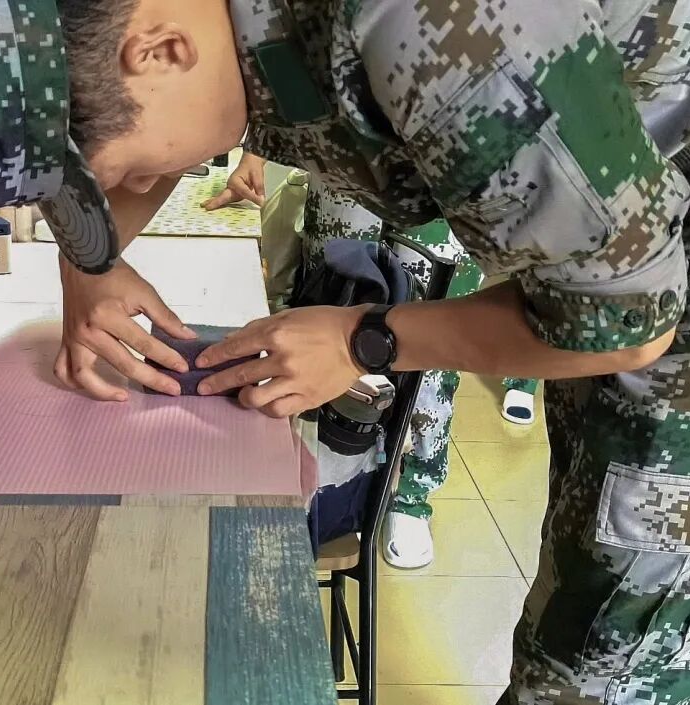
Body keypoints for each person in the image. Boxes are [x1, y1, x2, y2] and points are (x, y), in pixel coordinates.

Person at [0, 1, 690, 703]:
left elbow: (626, 321)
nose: (128, 188)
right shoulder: (187, 30)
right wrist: (92, 263)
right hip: (593, 220)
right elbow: (168, 122)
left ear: (159, 47)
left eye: (114, 174)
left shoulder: (442, 31)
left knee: (604, 660)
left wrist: (368, 339)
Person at [206, 151, 485, 568]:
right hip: (343, 162)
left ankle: (411, 495)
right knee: (324, 316)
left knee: (430, 355)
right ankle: (324, 475)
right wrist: (257, 154)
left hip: (451, 169)